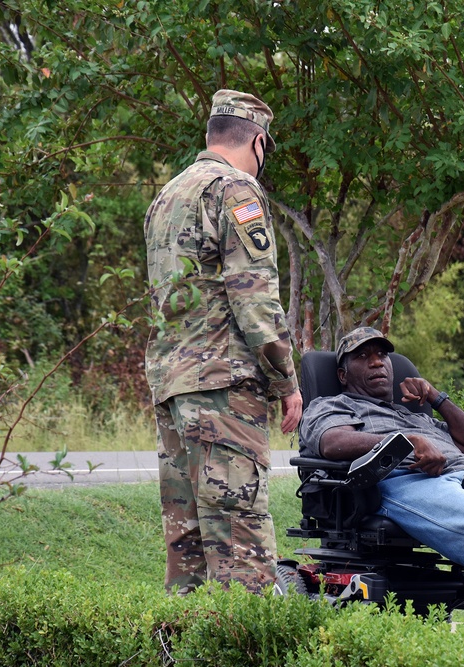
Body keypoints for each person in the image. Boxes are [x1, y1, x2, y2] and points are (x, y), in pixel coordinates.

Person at [144, 89, 302, 595]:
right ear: (257, 141)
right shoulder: (235, 190)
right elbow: (254, 300)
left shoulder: (166, 197)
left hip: (172, 387)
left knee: (187, 550)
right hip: (223, 388)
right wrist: (287, 383)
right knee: (239, 549)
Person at [298, 327, 464, 639]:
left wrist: (434, 397)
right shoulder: (333, 405)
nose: (377, 362)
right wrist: (405, 441)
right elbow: (331, 442)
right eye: (363, 356)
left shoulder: (414, 415)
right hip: (407, 481)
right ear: (343, 375)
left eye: (382, 355)